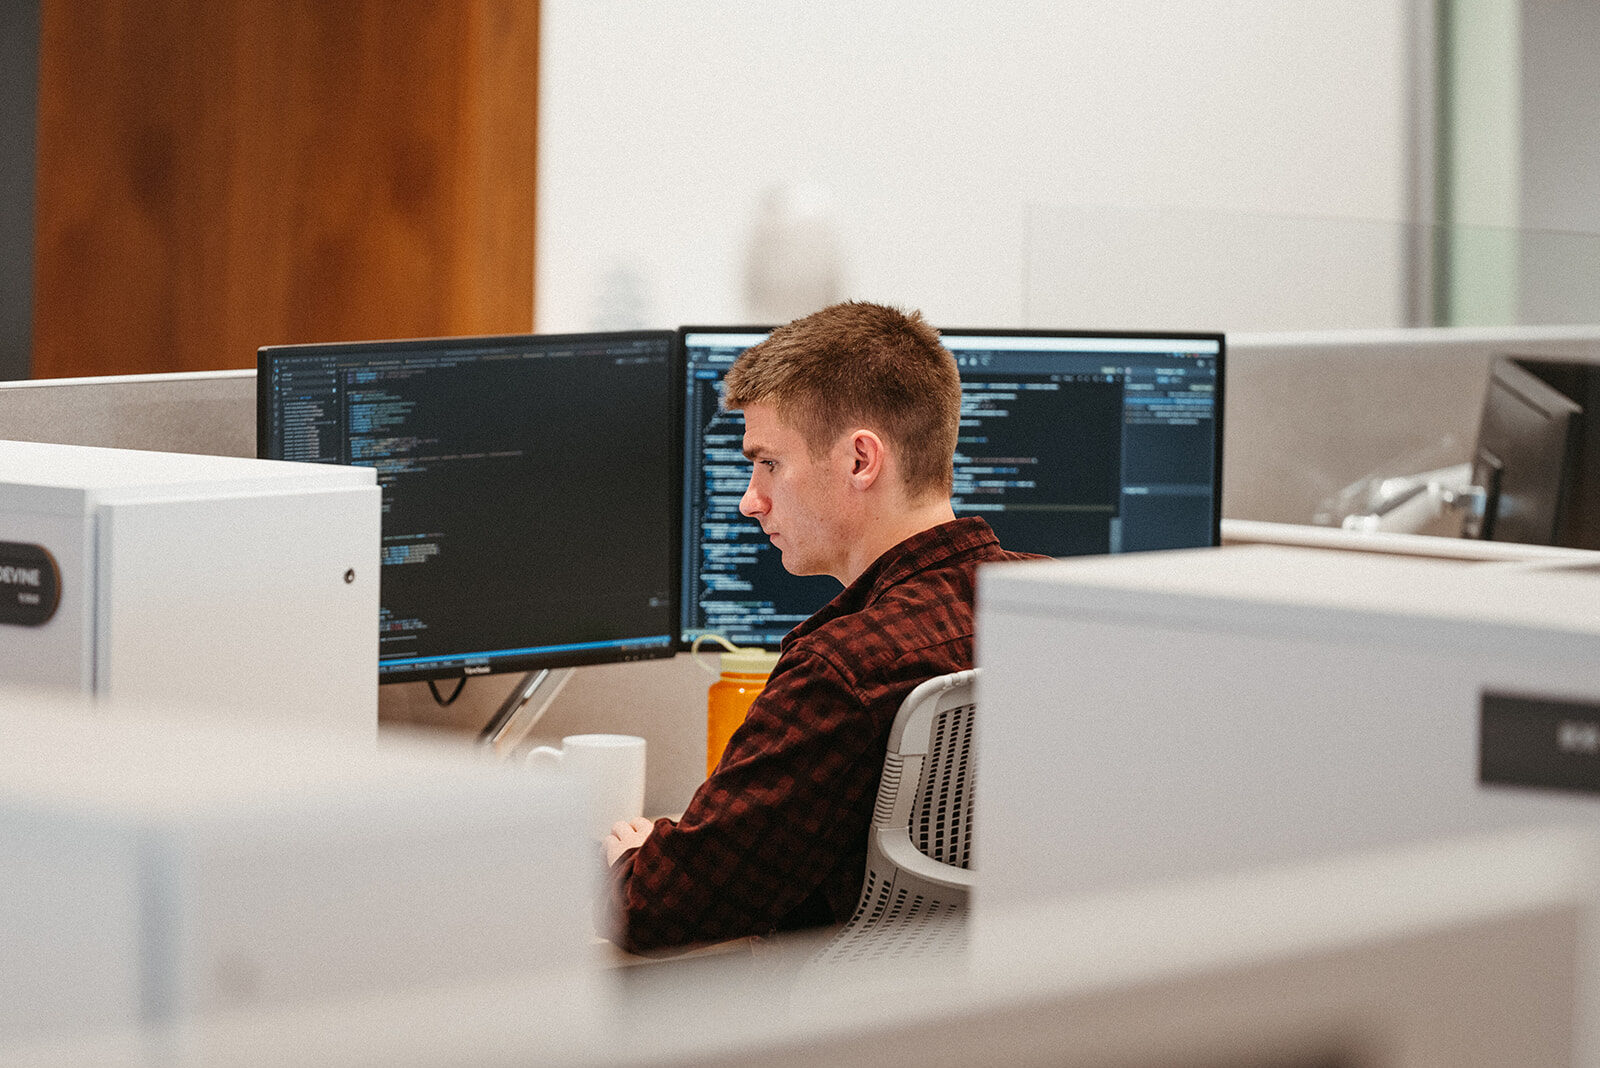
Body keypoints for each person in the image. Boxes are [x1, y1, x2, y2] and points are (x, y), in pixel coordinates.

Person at [601, 300, 1040, 953]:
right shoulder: (1058, 613)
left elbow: (658, 908)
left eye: (769, 462)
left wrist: (631, 856)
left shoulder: (843, 670)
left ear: (861, 460)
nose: (752, 498)